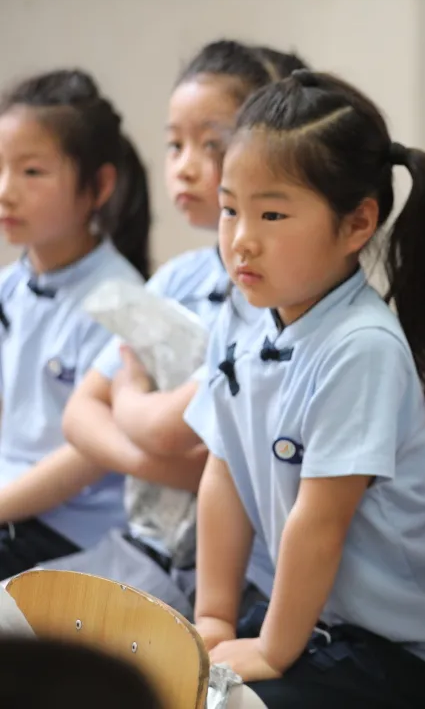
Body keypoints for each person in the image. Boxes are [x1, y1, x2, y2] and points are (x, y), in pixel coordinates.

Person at [182, 70, 425, 708]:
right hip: (312, 615)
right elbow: (224, 469)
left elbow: (319, 523)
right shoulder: (242, 314)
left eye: (271, 213)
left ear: (357, 224)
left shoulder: (362, 347)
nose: (241, 237)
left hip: (411, 644)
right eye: (230, 209)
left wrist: (271, 650)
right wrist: (213, 619)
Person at [59, 40, 307, 616]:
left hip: (249, 579)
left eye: (211, 144)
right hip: (155, 547)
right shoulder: (177, 278)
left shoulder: (273, 302)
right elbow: (79, 416)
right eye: (175, 143)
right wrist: (163, 459)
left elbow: (172, 433)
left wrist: (128, 390)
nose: (185, 164)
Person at [0, 68, 150, 575]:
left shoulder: (122, 301)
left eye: (31, 172)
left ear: (99, 184)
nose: (6, 190)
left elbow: (89, 456)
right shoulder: (9, 286)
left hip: (73, 529)